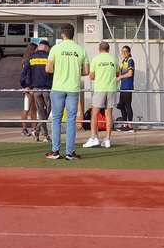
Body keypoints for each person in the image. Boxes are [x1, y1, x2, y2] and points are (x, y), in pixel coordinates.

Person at [45, 26, 89, 161]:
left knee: (56, 119)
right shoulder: (81, 49)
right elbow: (86, 71)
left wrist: (59, 70)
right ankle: (70, 152)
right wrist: (75, 71)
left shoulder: (55, 49)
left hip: (58, 87)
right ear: (73, 35)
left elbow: (48, 69)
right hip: (73, 88)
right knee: (71, 120)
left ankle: (55, 151)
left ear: (63, 34)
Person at [84, 41, 118, 149]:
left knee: (94, 114)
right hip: (111, 89)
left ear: (99, 49)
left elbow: (92, 76)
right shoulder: (113, 59)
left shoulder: (96, 59)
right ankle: (107, 139)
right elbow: (117, 73)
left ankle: (94, 137)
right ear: (109, 49)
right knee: (109, 114)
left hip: (100, 89)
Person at [22, 38, 52, 141]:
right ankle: (45, 135)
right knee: (48, 110)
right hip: (48, 88)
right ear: (47, 48)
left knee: (41, 112)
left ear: (39, 47)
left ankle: (38, 130)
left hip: (36, 89)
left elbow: (25, 73)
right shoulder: (49, 57)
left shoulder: (31, 58)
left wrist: (25, 85)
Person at [19, 41, 39, 136]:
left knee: (27, 108)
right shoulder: (29, 61)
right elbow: (27, 75)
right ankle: (31, 128)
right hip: (30, 87)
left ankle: (26, 128)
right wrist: (26, 86)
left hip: (27, 87)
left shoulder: (25, 60)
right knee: (31, 109)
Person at [115, 45, 135, 131]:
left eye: (126, 51)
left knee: (127, 105)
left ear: (129, 52)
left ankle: (130, 126)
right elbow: (119, 74)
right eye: (122, 51)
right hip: (122, 87)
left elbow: (130, 73)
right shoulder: (123, 61)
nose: (124, 53)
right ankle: (124, 124)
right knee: (121, 106)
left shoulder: (130, 61)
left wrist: (120, 77)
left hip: (128, 87)